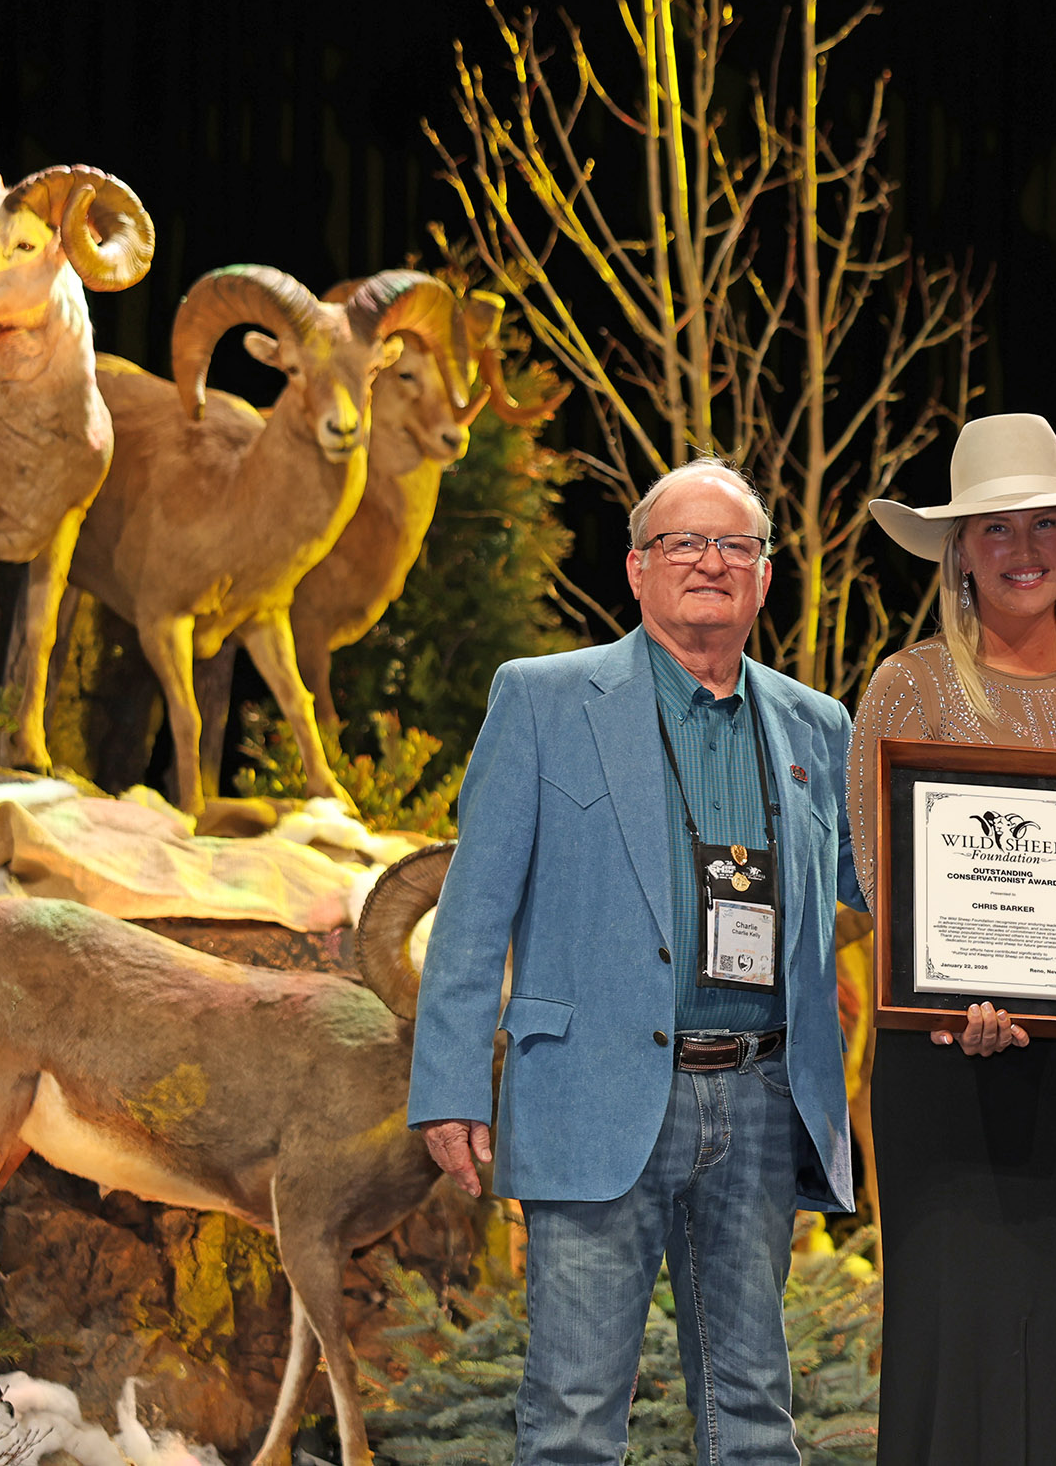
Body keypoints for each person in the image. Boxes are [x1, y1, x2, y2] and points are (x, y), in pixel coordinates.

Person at [407, 458, 857, 1466]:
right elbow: (472, 910)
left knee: (753, 1420)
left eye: (734, 544)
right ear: (637, 569)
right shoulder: (541, 699)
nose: (708, 561)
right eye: (681, 543)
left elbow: (893, 882)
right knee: (571, 1416)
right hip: (593, 1089)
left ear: (764, 576)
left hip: (758, 1097)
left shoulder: (817, 726)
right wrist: (448, 1086)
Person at [847, 412, 1056, 1464]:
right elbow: (878, 873)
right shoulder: (908, 683)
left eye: (1046, 525)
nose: (1024, 550)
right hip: (948, 1060)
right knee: (958, 1331)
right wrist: (946, 1003)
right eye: (994, 529)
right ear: (956, 552)